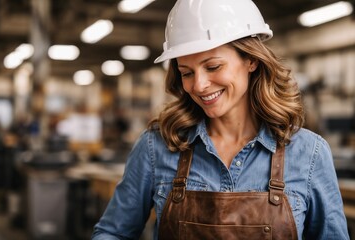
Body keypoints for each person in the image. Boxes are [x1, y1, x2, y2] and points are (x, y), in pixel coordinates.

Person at [92, 0, 350, 239]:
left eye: (213, 67)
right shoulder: (157, 146)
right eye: (186, 72)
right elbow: (112, 233)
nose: (200, 85)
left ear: (251, 60)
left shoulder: (309, 153)